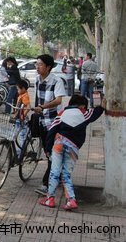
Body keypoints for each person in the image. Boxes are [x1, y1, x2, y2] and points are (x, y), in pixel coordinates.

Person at [39, 94, 105, 210]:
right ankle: (71, 200)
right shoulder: (84, 113)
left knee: (54, 172)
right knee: (66, 174)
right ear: (83, 105)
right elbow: (96, 113)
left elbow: (51, 131)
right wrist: (102, 105)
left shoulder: (62, 114)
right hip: (73, 148)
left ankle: (50, 199)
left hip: (59, 144)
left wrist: (48, 149)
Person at [33, 54, 67, 196]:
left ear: (48, 67)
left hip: (54, 123)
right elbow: (36, 98)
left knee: (50, 152)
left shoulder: (56, 81)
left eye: (40, 64)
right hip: (42, 121)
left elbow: (58, 101)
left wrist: (43, 107)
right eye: (37, 64)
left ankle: (46, 184)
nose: (37, 66)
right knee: (48, 152)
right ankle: (57, 174)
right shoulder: (36, 80)